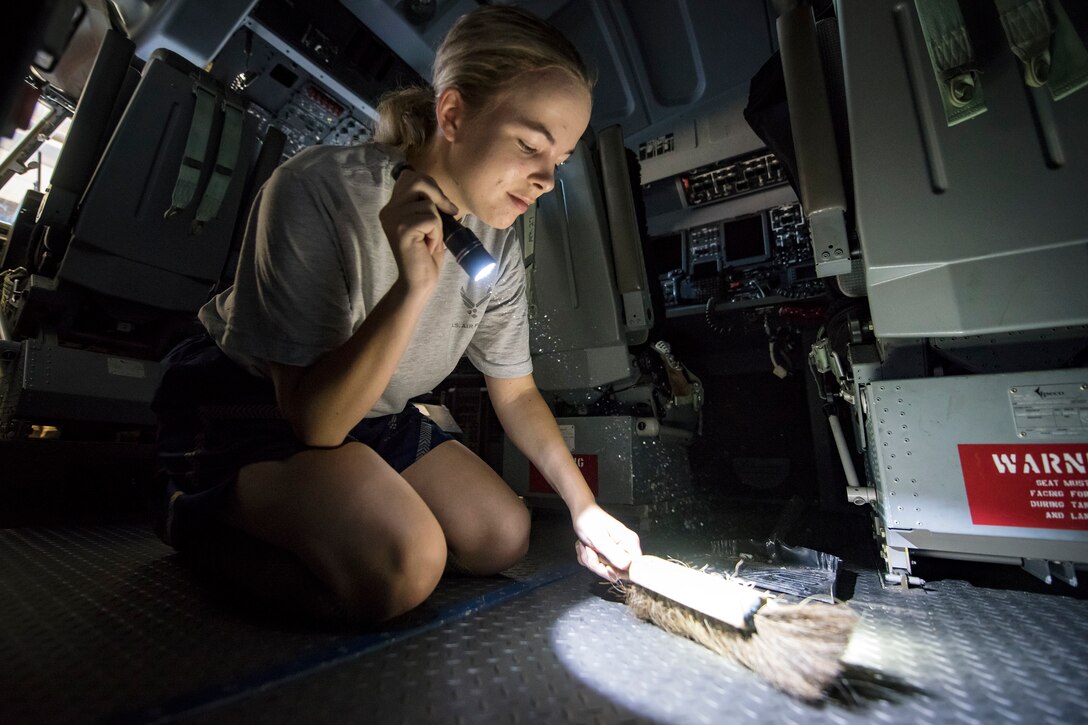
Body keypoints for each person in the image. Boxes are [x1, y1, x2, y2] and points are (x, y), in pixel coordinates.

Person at [150, 5, 642, 624]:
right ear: (453, 114)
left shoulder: (497, 242)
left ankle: (344, 518)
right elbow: (316, 422)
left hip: (371, 414)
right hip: (257, 406)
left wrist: (584, 508)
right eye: (528, 145)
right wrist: (413, 288)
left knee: (502, 536)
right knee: (407, 565)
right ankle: (192, 509)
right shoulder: (314, 189)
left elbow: (516, 393)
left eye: (559, 160)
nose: (544, 178)